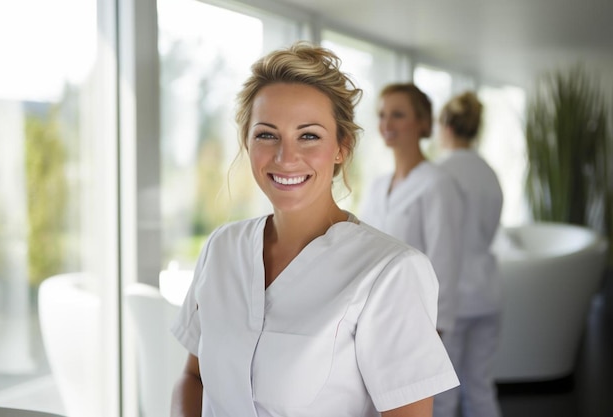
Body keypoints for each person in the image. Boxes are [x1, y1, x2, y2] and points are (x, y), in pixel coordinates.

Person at [170, 42, 459, 417]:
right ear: (246, 142)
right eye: (266, 134)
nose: (285, 157)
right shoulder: (221, 248)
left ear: (342, 147)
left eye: (308, 135)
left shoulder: (390, 272)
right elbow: (194, 377)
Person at [359, 83, 465, 337]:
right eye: (382, 115)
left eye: (398, 115)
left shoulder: (437, 184)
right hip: (374, 315)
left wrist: (436, 327)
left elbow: (445, 259)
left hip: (418, 320)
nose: (387, 124)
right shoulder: (377, 186)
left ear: (423, 123)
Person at [433, 91, 504, 417]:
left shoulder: (438, 174)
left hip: (452, 300)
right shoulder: (489, 172)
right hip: (488, 292)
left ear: (445, 125)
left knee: (442, 396)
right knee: (479, 387)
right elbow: (489, 232)